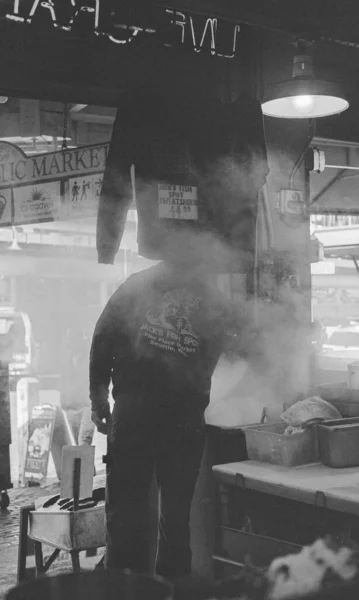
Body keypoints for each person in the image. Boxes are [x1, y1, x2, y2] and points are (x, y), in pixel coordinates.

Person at [89, 237, 239, 581]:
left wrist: (99, 397)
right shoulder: (215, 300)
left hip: (136, 413)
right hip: (180, 418)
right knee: (174, 516)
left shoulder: (137, 286)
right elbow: (228, 351)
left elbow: (103, 338)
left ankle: (125, 588)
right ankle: (171, 590)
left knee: (126, 511)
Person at [60, 326, 96, 446]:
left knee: (83, 442)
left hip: (87, 407)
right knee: (75, 446)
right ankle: (87, 466)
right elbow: (63, 381)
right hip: (70, 408)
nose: (70, 342)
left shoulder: (90, 357)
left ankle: (86, 464)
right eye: (68, 338)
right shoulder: (67, 359)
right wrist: (63, 403)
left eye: (73, 338)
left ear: (80, 339)